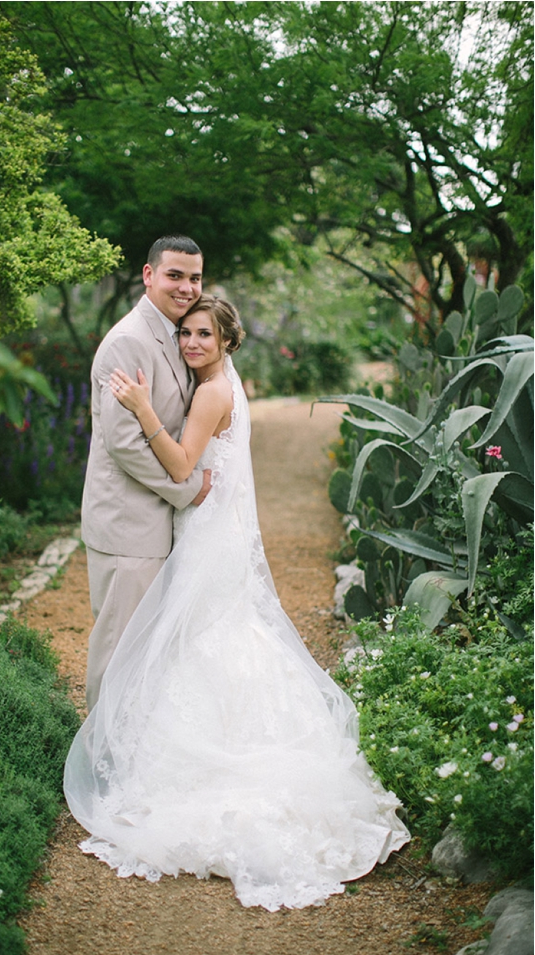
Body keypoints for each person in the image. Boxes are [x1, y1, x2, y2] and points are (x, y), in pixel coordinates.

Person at [64, 295, 409, 912]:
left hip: (206, 535)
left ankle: (168, 760)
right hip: (213, 533)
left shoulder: (211, 392)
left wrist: (143, 409)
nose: (192, 342)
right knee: (215, 638)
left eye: (205, 335)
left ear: (226, 342)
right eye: (187, 332)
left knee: (202, 640)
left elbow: (180, 462)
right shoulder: (222, 383)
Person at [81, 235, 211, 711]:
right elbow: (123, 443)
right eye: (175, 275)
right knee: (119, 650)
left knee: (146, 654)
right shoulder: (128, 342)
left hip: (154, 525)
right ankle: (100, 766)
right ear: (149, 274)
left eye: (194, 277)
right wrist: (189, 489)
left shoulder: (181, 333)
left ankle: (133, 754)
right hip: (126, 524)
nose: (186, 287)